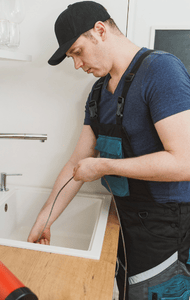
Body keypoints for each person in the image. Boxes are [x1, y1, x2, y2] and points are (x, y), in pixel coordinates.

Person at [27, 1, 190, 299]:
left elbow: (184, 162)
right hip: (125, 221)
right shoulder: (98, 91)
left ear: (100, 31)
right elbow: (78, 161)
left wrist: (104, 167)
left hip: (166, 228)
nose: (77, 64)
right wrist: (44, 221)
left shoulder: (162, 70)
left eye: (77, 51)